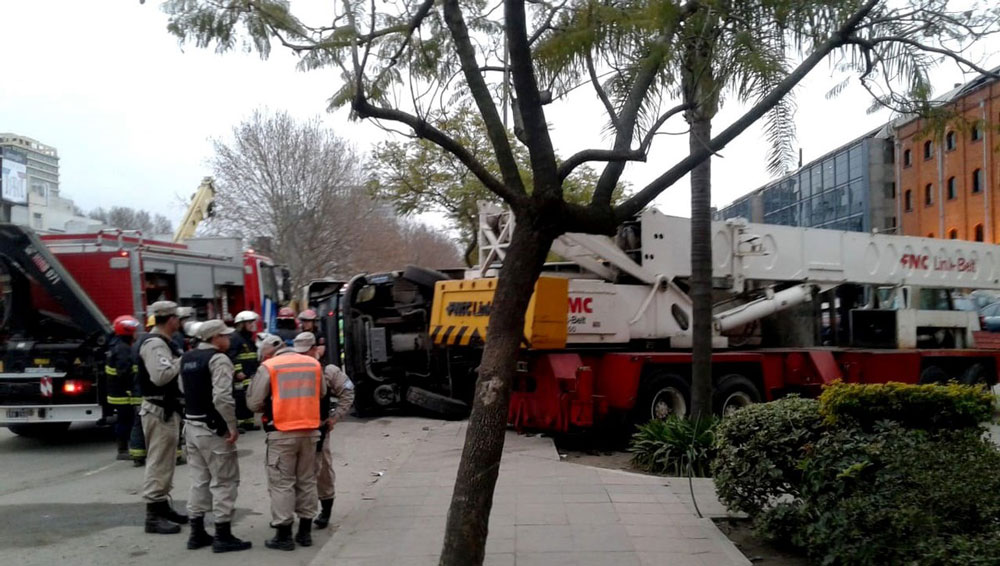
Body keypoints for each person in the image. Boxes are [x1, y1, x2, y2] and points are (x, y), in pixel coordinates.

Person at [247, 332, 326, 551]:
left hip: (282, 432)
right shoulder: (313, 364)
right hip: (310, 431)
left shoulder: (270, 367)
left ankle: (284, 535)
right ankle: (305, 533)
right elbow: (322, 394)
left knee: (282, 483)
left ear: (268, 353)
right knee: (307, 480)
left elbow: (253, 403)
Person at [180, 319, 252, 553]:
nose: (229, 339)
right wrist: (231, 426)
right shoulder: (219, 359)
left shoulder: (187, 357)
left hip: (191, 426)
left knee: (199, 480)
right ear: (214, 338)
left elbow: (182, 388)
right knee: (225, 481)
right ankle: (223, 534)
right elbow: (222, 397)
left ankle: (196, 532)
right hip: (212, 429)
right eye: (225, 335)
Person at [135, 300, 188, 535]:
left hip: (165, 409)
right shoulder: (155, 344)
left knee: (165, 462)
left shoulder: (164, 342)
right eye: (177, 317)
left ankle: (162, 507)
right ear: (171, 319)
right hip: (159, 410)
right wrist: (183, 361)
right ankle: (153, 516)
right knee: (159, 462)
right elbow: (161, 375)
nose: (180, 321)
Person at [313, 346, 354, 529]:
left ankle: (324, 510)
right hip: (289, 432)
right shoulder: (285, 368)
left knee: (322, 471)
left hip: (318, 430)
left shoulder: (328, 371)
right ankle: (292, 520)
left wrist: (335, 417)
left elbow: (347, 391)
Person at [106, 315, 142, 461]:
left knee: (124, 420)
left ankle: (123, 448)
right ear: (128, 331)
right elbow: (124, 372)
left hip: (118, 391)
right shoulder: (123, 349)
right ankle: (122, 450)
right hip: (123, 393)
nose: (136, 333)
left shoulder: (117, 345)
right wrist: (131, 389)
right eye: (134, 330)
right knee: (126, 421)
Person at [228, 311, 261, 432]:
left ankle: (249, 422)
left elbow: (252, 355)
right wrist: (238, 371)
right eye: (250, 322)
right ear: (241, 324)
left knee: (249, 396)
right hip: (240, 375)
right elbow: (232, 356)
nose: (252, 324)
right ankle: (240, 423)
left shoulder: (248, 337)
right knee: (240, 398)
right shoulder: (235, 338)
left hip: (249, 373)